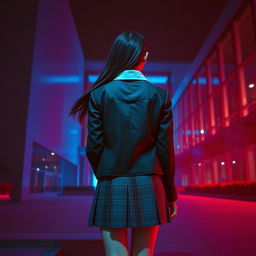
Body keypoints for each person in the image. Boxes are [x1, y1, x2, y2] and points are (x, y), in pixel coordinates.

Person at [69, 31, 178, 256]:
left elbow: (94, 146)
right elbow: (165, 149)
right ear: (145, 56)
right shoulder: (160, 95)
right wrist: (170, 193)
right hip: (150, 181)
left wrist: (107, 173)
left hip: (112, 180)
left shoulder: (99, 94)